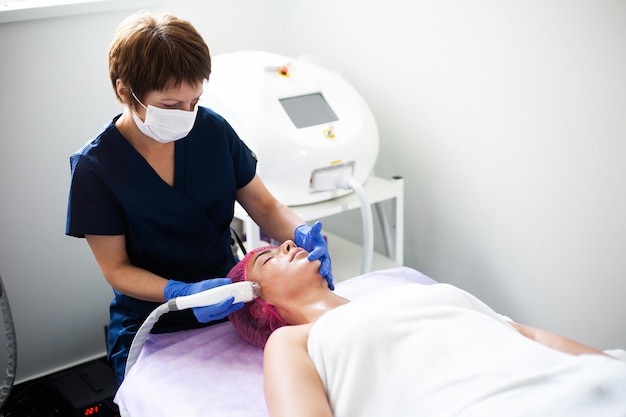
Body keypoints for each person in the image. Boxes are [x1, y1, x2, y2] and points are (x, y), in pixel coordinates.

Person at [65, 12, 333, 384]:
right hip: (154, 320)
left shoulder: (212, 130)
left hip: (234, 303)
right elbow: (116, 270)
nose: (187, 116)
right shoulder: (96, 168)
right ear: (125, 91)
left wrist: (303, 232)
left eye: (195, 101)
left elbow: (265, 206)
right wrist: (181, 293)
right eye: (171, 105)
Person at [227, 242, 626, 417]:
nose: (284, 245)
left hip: (584, 382)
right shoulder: (293, 341)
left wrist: (606, 365)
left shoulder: (403, 293)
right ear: (260, 307)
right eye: (267, 258)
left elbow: (529, 336)